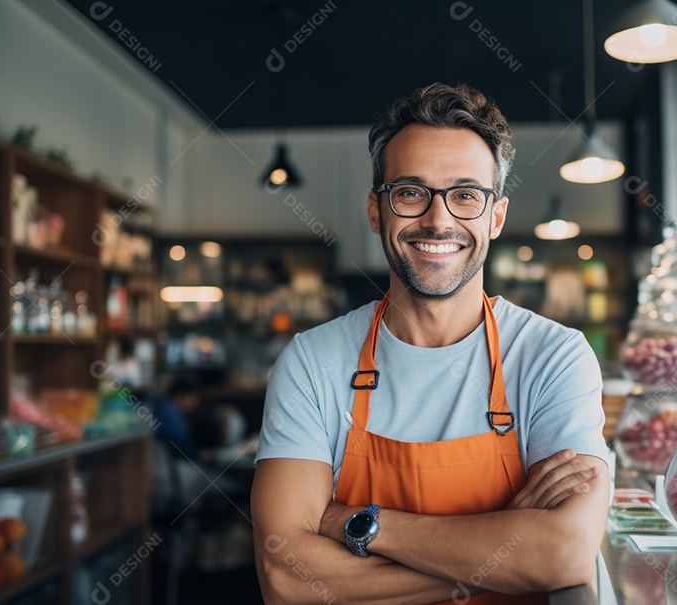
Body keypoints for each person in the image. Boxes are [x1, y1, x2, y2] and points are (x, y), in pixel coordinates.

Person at [252, 83, 609, 604]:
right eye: (411, 192)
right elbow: (285, 578)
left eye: (466, 194)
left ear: (496, 216)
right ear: (377, 211)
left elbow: (566, 553)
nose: (438, 219)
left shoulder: (553, 357)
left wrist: (357, 524)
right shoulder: (313, 362)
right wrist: (506, 545)